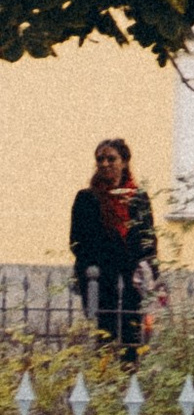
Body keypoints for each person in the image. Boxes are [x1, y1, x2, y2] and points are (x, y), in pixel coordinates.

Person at [70, 138, 160, 354]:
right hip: (99, 272)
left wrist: (149, 268)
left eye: (111, 158)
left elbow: (148, 238)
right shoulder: (86, 198)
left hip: (132, 273)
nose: (105, 163)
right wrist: (97, 261)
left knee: (132, 327)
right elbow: (76, 240)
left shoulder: (137, 197)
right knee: (105, 329)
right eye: (100, 159)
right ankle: (105, 373)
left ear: (125, 161)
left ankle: (130, 375)